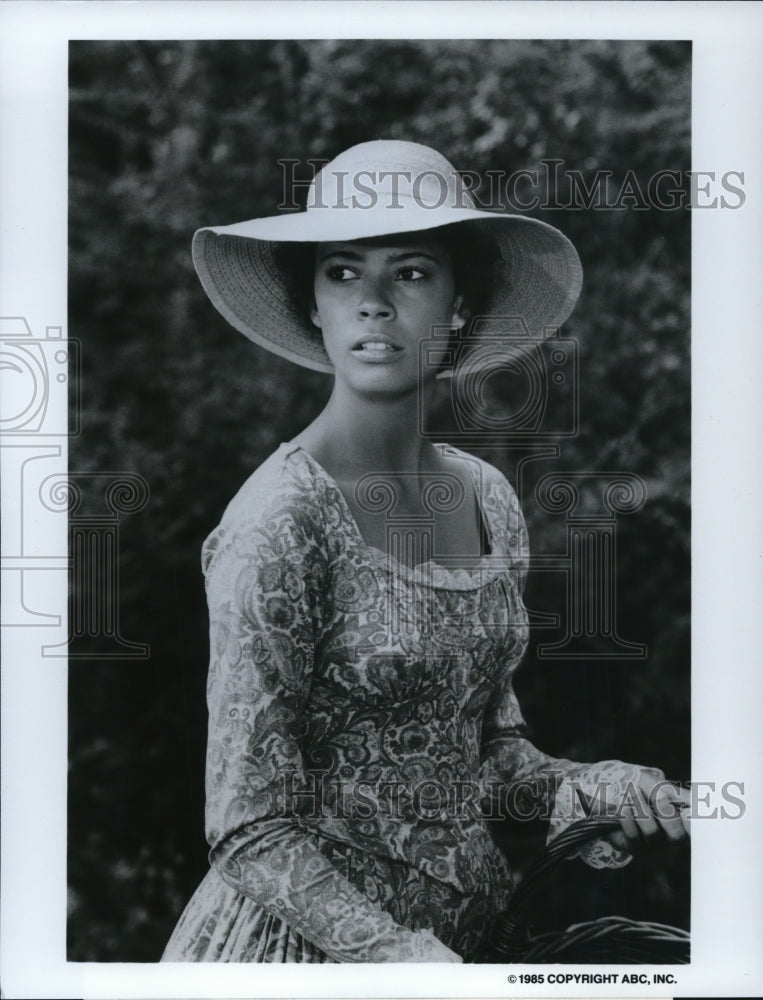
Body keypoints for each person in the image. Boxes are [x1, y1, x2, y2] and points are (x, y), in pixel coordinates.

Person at [161, 140, 689, 964]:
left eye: (409, 272)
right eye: (341, 272)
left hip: (474, 940)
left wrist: (589, 788)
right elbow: (247, 825)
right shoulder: (280, 520)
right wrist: (400, 959)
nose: (372, 303)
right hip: (300, 959)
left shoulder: (486, 498)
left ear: (458, 307)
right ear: (313, 307)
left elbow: (486, 753)